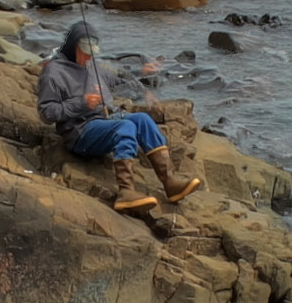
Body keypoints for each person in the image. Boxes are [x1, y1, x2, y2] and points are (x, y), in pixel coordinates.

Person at [38, 18, 199, 212]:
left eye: (91, 54)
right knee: (126, 127)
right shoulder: (53, 73)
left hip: (106, 122)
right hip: (80, 132)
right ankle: (126, 192)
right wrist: (81, 103)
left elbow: (122, 75)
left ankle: (170, 181)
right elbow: (46, 112)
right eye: (85, 53)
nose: (88, 58)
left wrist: (144, 90)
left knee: (143, 120)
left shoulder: (94, 65)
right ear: (73, 47)